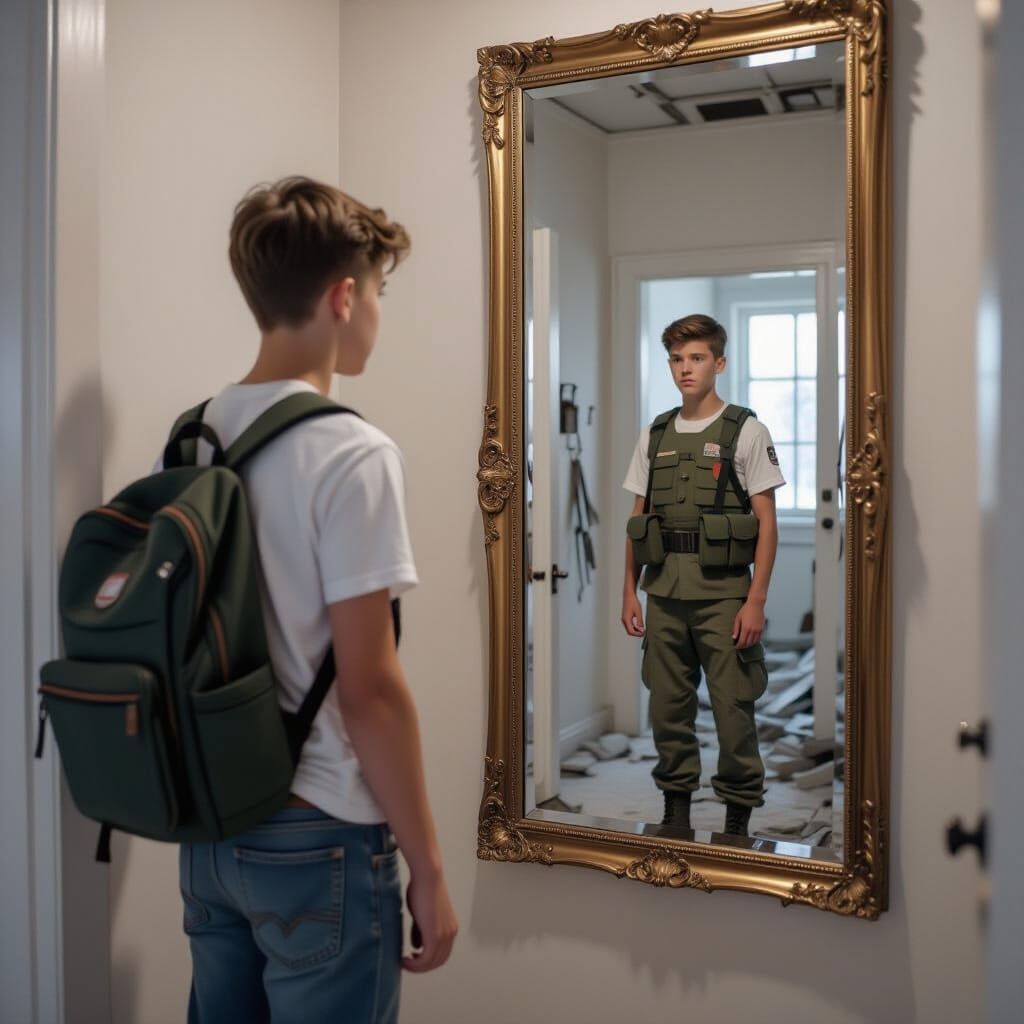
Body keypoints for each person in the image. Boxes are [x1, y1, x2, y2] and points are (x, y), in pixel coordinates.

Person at [178, 176, 457, 1023]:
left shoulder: (192, 436)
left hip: (212, 831)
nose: (375, 313)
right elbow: (370, 691)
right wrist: (429, 870)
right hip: (319, 831)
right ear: (343, 297)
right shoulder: (351, 453)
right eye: (377, 293)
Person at [620, 313, 785, 837]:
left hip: (724, 597)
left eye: (696, 358)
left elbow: (767, 523)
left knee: (734, 709)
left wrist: (756, 600)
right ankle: (676, 813)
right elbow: (638, 520)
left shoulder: (747, 430)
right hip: (664, 593)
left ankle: (737, 819)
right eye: (676, 359)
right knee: (668, 710)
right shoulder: (656, 434)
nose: (685, 368)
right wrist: (629, 593)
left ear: (720, 363)